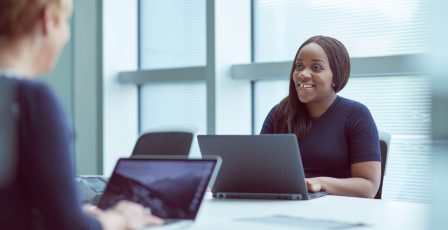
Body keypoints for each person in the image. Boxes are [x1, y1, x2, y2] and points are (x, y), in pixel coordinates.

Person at [0, 0, 162, 229]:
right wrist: (119, 219)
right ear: (47, 19)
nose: (66, 35)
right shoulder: (32, 100)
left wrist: (66, 209)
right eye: (64, 22)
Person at [261, 36, 381, 198]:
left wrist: (319, 183)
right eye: (299, 66)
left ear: (336, 76)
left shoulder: (356, 114)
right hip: (285, 205)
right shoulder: (279, 113)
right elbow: (260, 172)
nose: (303, 74)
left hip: (336, 210)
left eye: (316, 67)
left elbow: (368, 187)